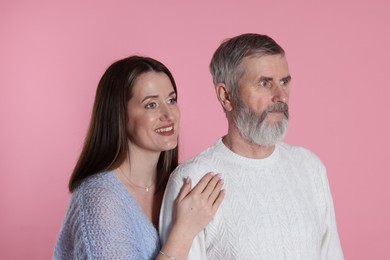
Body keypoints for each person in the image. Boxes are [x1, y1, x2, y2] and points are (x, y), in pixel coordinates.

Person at [159, 33, 344, 259]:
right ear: (226, 96)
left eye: (284, 82)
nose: (281, 96)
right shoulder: (192, 180)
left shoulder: (310, 168)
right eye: (265, 83)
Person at [54, 56, 225, 259]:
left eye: (171, 100)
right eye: (151, 105)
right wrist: (184, 231)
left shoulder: (182, 182)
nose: (169, 115)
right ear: (118, 115)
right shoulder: (98, 199)